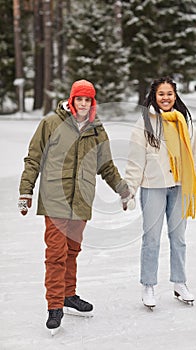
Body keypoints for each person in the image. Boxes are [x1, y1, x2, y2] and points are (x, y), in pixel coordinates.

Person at [18, 79, 130, 332]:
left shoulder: (97, 129)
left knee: (72, 251)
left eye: (87, 99)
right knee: (55, 254)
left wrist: (122, 190)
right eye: (78, 98)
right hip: (55, 199)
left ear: (92, 102)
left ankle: (69, 295)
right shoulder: (50, 124)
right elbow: (33, 159)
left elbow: (106, 166)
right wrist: (26, 191)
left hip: (81, 200)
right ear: (71, 100)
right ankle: (55, 305)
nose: (82, 103)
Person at [124, 77, 196, 308]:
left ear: (175, 95)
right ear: (154, 95)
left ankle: (180, 283)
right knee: (151, 239)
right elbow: (134, 161)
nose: (166, 98)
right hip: (153, 187)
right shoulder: (145, 123)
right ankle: (148, 285)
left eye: (169, 93)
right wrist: (129, 191)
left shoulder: (185, 121)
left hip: (181, 186)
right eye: (161, 94)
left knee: (178, 238)